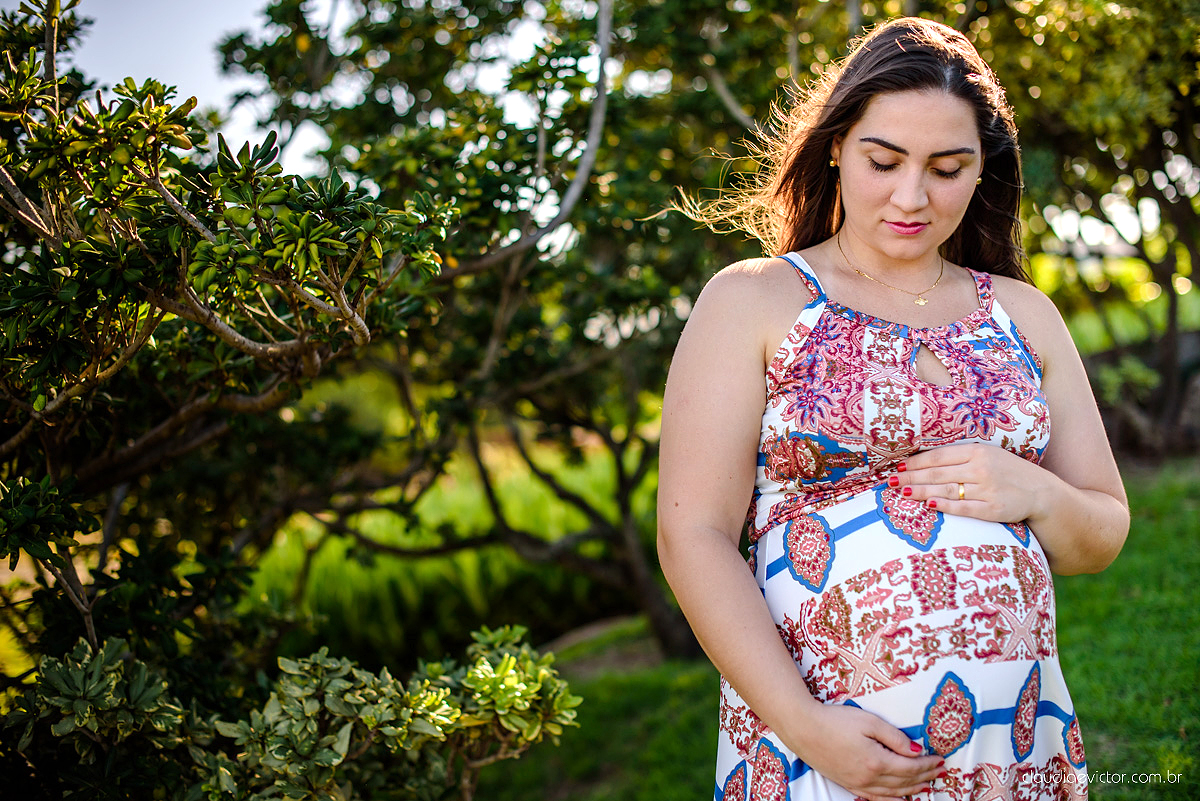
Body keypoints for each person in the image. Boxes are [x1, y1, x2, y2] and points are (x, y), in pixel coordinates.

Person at [656, 17, 1129, 801]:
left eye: (948, 168)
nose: (913, 196)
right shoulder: (754, 300)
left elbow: (1102, 532)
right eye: (884, 160)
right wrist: (806, 726)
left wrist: (1035, 492)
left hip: (1016, 747)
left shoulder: (1022, 314)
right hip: (823, 751)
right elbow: (692, 534)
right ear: (836, 144)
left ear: (984, 169)